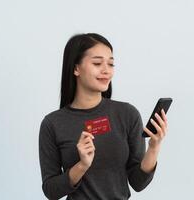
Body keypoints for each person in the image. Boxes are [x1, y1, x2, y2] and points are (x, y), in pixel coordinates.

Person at [38, 33, 168, 200]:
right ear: (76, 68)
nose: (107, 70)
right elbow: (51, 191)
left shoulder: (127, 114)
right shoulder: (52, 124)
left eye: (111, 64)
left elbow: (138, 183)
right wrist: (82, 166)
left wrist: (154, 147)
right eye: (97, 63)